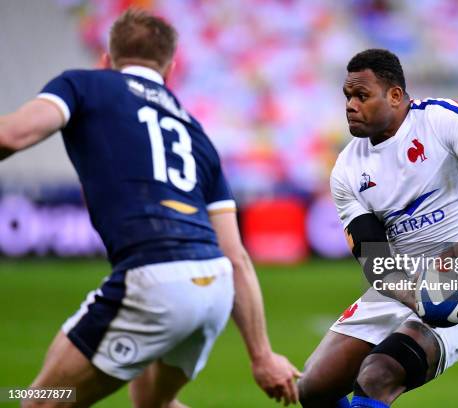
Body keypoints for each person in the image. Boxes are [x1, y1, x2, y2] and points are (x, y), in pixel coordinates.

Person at [0, 9, 300, 408]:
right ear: (171, 69)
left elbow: (10, 135)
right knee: (153, 404)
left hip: (155, 280)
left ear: (107, 59)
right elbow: (236, 256)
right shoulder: (196, 132)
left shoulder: (84, 84)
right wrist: (261, 355)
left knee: (38, 399)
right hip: (212, 286)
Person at [298, 49, 458, 408]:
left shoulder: (438, 119)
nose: (350, 105)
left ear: (394, 95)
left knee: (377, 375)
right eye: (347, 96)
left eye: (362, 95)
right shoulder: (346, 169)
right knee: (313, 389)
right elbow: (375, 260)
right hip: (404, 287)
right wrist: (417, 296)